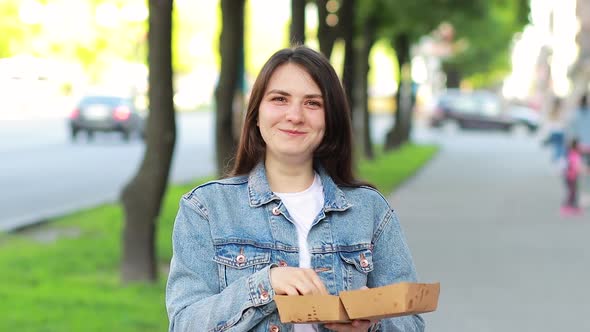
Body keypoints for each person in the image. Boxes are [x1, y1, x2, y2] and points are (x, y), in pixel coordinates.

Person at [166, 45, 425, 331]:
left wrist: (369, 327)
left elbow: (410, 321)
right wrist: (267, 284)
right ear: (256, 113)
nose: (295, 115)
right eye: (280, 99)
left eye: (313, 103)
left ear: (330, 118)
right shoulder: (206, 208)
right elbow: (185, 323)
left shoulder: (370, 210)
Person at [561, 138, 585, 216]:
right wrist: (585, 170)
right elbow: (575, 166)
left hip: (571, 176)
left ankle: (574, 207)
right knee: (572, 192)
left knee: (574, 192)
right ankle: (567, 207)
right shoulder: (573, 154)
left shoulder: (572, 153)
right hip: (570, 176)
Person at [567, 94, 590, 166]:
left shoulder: (575, 113)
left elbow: (571, 129)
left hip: (578, 144)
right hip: (587, 144)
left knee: (576, 163)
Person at [541, 97, 566, 163]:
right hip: (559, 132)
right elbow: (563, 122)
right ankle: (558, 160)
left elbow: (549, 124)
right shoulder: (561, 111)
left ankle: (557, 159)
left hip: (555, 132)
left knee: (557, 147)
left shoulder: (552, 111)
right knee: (559, 147)